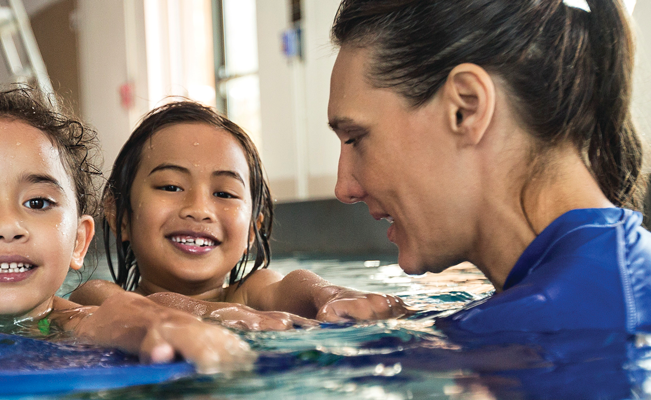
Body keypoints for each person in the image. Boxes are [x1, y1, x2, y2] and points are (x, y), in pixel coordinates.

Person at [326, 0, 651, 334]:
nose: (345, 188)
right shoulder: (601, 289)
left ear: (466, 107)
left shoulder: (553, 328)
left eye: (356, 138)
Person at [0, 89, 254, 396]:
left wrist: (155, 323)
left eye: (38, 202)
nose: (8, 226)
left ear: (79, 240)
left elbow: (109, 319)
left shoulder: (77, 320)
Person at [70, 101, 410, 331]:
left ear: (252, 229)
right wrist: (212, 314)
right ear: (119, 216)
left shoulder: (252, 293)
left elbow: (294, 285)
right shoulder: (97, 296)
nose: (199, 210)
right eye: (171, 186)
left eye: (224, 194)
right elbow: (134, 308)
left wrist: (332, 295)